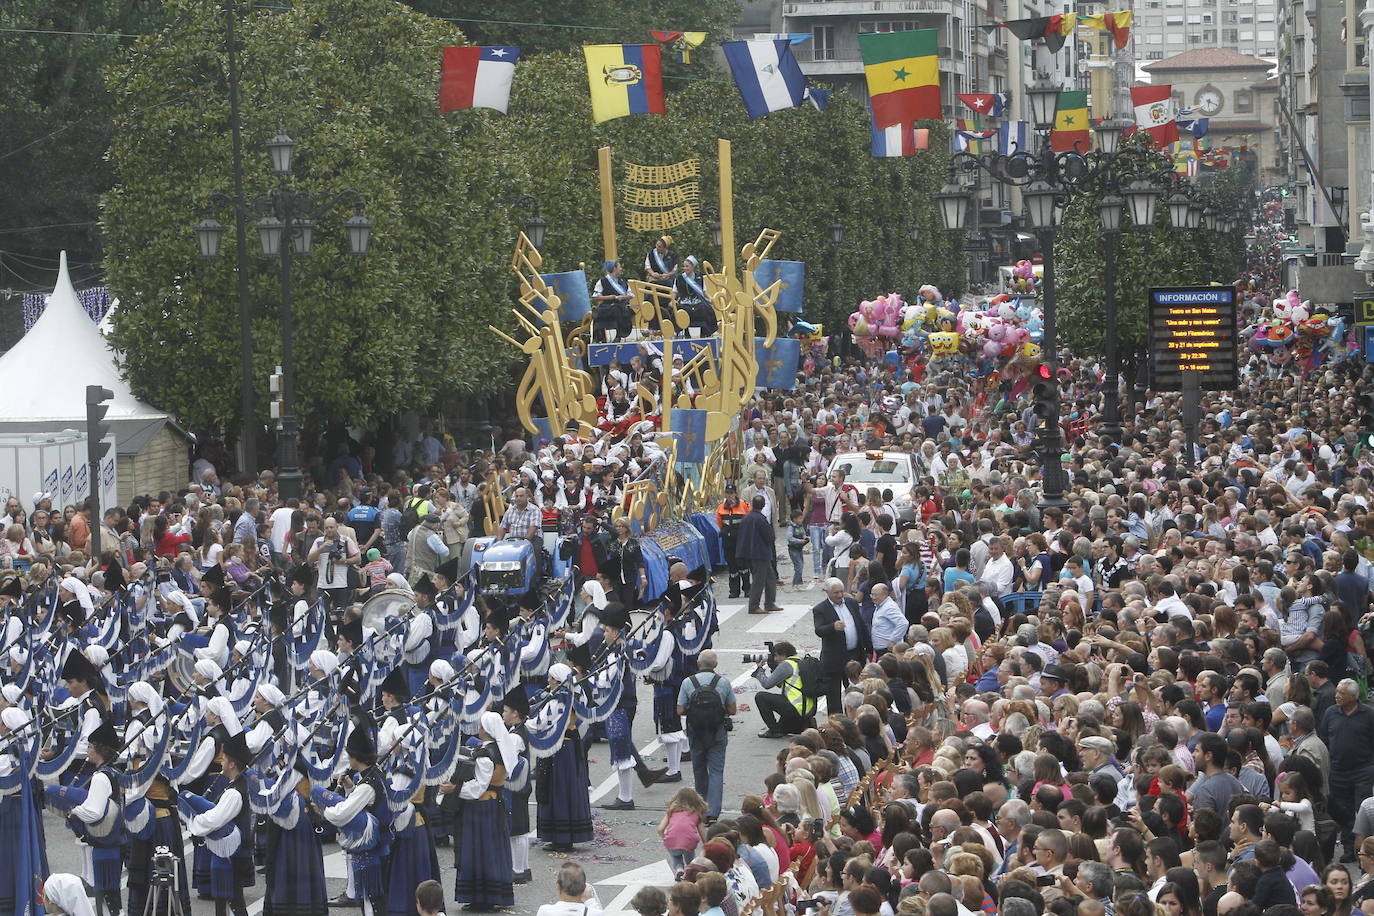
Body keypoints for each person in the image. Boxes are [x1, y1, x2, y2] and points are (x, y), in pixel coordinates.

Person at [677, 649, 737, 823]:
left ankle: (700, 808)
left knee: (699, 770)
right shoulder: (723, 682)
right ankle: (713, 813)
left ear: (698, 663)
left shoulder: (688, 682)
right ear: (716, 665)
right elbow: (732, 709)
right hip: (717, 732)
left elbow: (680, 709)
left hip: (696, 732)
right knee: (716, 771)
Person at [1319, 677, 1374, 857]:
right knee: (1342, 810)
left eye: (1341, 693)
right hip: (1337, 771)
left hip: (1362, 770)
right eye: (1337, 692)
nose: (1337, 696)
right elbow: (1324, 739)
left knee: (1362, 809)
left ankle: (1366, 848)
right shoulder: (1331, 713)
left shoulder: (1368, 714)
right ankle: (1349, 847)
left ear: (1353, 696)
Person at [812, 577, 871, 715]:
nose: (839, 595)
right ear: (827, 592)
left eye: (841, 592)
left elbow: (861, 625)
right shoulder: (820, 609)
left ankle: (856, 719)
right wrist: (832, 627)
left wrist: (869, 648)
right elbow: (819, 630)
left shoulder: (851, 603)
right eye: (835, 593)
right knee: (833, 695)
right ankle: (837, 724)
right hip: (834, 658)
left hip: (854, 655)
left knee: (856, 690)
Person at [752, 640, 817, 738]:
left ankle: (774, 731)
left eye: (776, 656)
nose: (775, 659)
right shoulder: (799, 661)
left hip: (796, 708)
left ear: (783, 654)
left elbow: (767, 684)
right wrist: (773, 668)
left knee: (760, 697)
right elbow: (780, 684)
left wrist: (759, 670)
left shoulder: (786, 664)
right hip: (808, 709)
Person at [737, 495, 780, 615]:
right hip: (761, 554)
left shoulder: (746, 518)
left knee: (770, 578)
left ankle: (770, 603)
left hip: (750, 553)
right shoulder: (760, 519)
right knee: (758, 580)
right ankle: (754, 606)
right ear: (763, 505)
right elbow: (769, 536)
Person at [659, 786, 709, 875]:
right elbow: (703, 834)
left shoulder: (672, 811)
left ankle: (679, 869)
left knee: (675, 855)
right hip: (689, 840)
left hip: (672, 839)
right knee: (689, 858)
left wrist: (664, 837)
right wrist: (707, 846)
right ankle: (689, 869)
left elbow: (660, 829)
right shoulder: (697, 813)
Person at [535, 861, 603, 916]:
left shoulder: (545, 911)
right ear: (584, 889)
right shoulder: (595, 913)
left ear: (558, 887)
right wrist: (590, 901)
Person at [593, 260, 632, 341]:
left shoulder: (623, 281)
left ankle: (619, 335)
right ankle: (599, 336)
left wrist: (622, 297)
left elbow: (630, 295)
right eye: (619, 267)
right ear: (615, 268)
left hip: (621, 305)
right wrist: (609, 297)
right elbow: (596, 297)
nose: (621, 269)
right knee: (600, 311)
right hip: (607, 305)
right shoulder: (602, 281)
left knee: (618, 309)